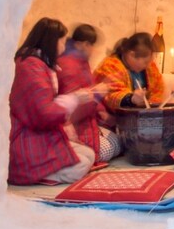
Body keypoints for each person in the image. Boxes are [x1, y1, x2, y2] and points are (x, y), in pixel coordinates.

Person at [8, 17, 104, 186]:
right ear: (51, 42)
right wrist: (76, 98)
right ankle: (39, 175)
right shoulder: (31, 67)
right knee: (81, 165)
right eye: (61, 41)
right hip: (29, 137)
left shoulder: (42, 65)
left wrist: (84, 97)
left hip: (46, 132)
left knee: (89, 155)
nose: (64, 46)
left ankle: (53, 168)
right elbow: (43, 112)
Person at [60, 24, 121, 162]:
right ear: (84, 44)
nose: (93, 50)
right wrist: (98, 94)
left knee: (120, 141)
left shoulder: (80, 61)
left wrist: (102, 111)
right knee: (114, 145)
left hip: (88, 120)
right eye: (92, 46)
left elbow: (88, 88)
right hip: (74, 127)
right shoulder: (69, 66)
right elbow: (72, 109)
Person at [95, 31, 168, 108]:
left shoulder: (150, 67)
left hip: (144, 116)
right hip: (114, 116)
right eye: (145, 62)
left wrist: (151, 108)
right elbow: (111, 95)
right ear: (131, 55)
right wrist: (131, 99)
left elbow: (158, 89)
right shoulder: (110, 66)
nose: (148, 66)